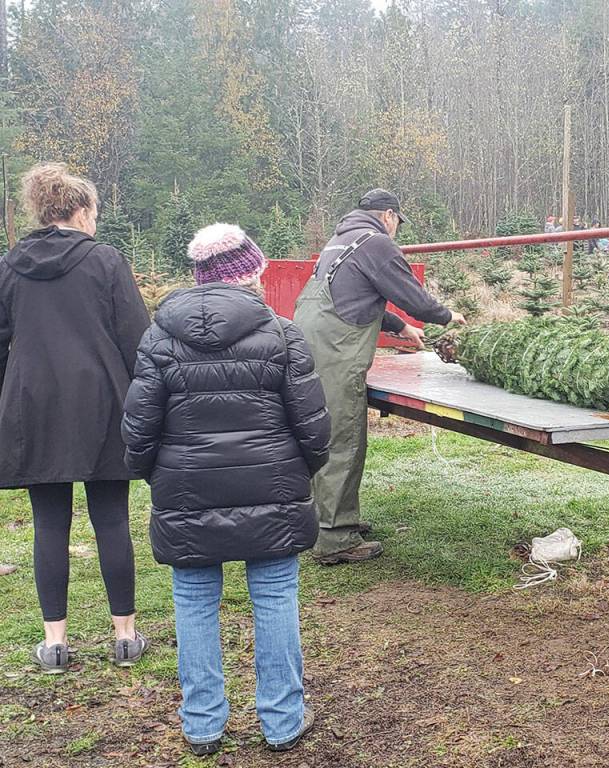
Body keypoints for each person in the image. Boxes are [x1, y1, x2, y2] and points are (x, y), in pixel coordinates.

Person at [122, 224, 331, 755]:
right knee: (275, 596)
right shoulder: (282, 334)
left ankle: (202, 724)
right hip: (273, 484)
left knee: (193, 600)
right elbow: (313, 428)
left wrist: (157, 476)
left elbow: (139, 430)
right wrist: (299, 472)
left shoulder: (159, 337)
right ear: (250, 275)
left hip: (185, 490)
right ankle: (283, 721)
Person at [0, 162, 150, 673]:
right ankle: (125, 636)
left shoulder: (10, 265)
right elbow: (137, 340)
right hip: (102, 402)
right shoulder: (106, 261)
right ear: (82, 211)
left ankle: (55, 644)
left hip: (34, 406)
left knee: (48, 523)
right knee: (111, 519)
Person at [294, 189, 465, 565]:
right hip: (335, 354)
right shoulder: (377, 242)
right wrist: (447, 316)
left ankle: (329, 519)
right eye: (398, 222)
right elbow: (412, 296)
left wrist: (400, 326)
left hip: (310, 348)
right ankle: (335, 538)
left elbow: (357, 296)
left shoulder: (339, 242)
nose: (396, 229)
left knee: (321, 436)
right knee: (342, 439)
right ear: (388, 215)